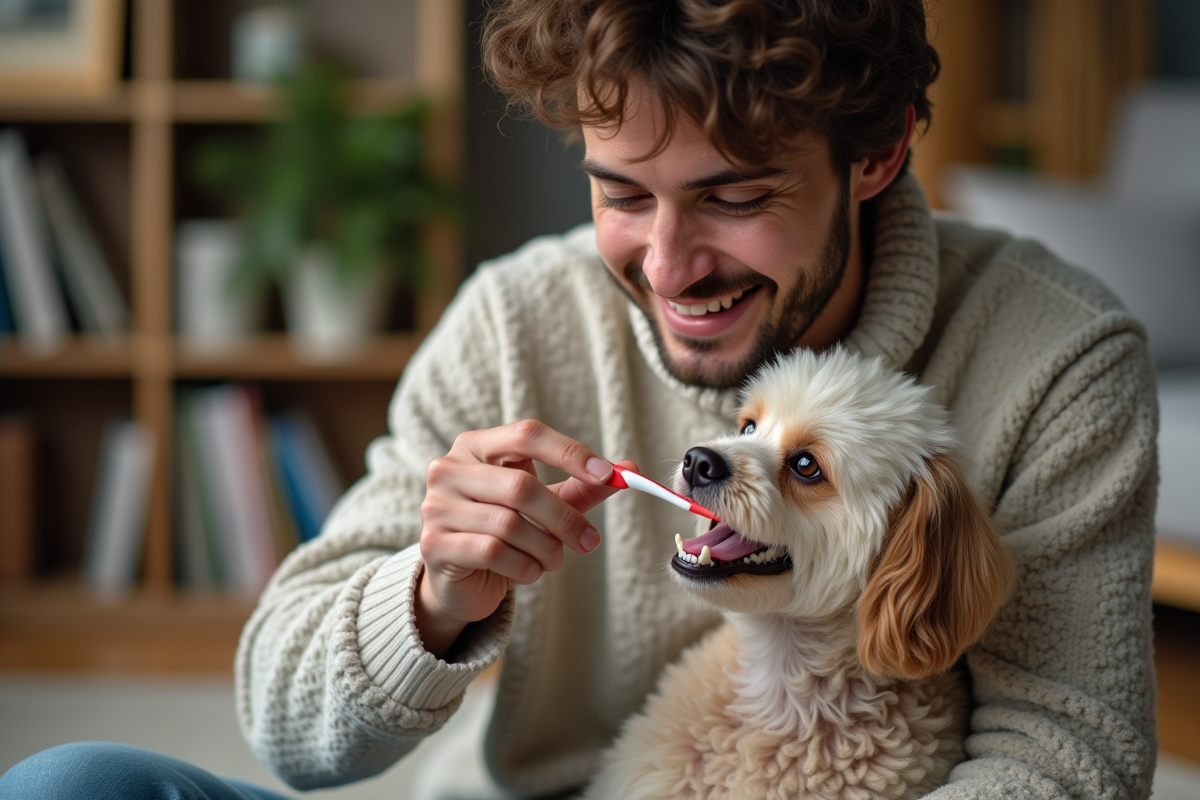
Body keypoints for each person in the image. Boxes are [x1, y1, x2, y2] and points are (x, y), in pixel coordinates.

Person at [1, 1, 1158, 798]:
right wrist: (427, 598)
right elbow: (285, 721)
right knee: (73, 784)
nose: (665, 265)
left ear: (878, 150)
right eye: (622, 193)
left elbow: (1068, 749)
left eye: (731, 195)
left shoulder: (1057, 357)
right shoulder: (515, 320)